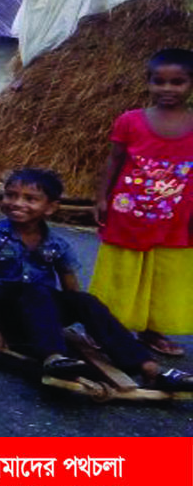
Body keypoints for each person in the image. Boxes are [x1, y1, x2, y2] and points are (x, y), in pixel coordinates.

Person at [0, 169, 193, 391]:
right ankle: (54, 356)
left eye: (30, 198)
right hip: (4, 310)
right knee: (35, 290)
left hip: (40, 311)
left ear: (51, 207)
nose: (17, 203)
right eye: (11, 195)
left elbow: (71, 292)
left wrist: (88, 322)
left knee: (85, 300)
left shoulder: (56, 244)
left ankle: (150, 368)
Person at [91, 48, 193, 358]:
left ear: (191, 84)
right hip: (128, 213)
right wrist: (101, 198)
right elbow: (114, 161)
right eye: (159, 82)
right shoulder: (130, 121)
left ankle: (152, 331)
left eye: (178, 82)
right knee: (122, 271)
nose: (167, 89)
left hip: (176, 216)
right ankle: (107, 329)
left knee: (164, 273)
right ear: (147, 83)